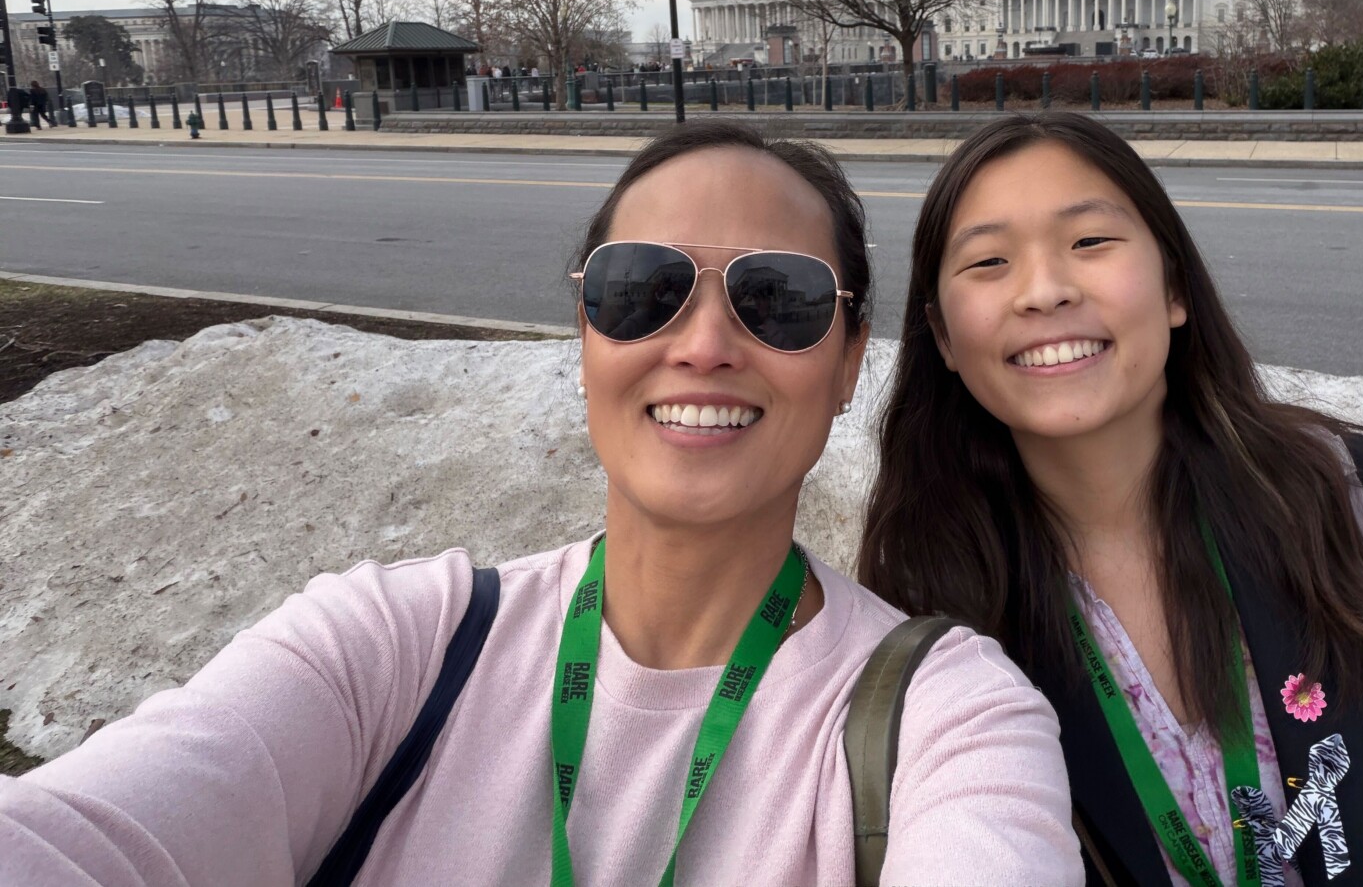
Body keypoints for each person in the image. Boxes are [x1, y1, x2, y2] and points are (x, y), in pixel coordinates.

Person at [0, 121, 1081, 886]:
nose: (703, 345)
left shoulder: (946, 721)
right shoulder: (392, 650)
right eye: (641, 290)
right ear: (586, 336)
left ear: (849, 363)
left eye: (778, 300)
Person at [858, 112, 1363, 887]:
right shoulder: (927, 610)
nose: (1043, 291)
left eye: (1089, 242)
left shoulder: (1353, 503)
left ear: (1175, 286)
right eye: (990, 261)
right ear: (942, 336)